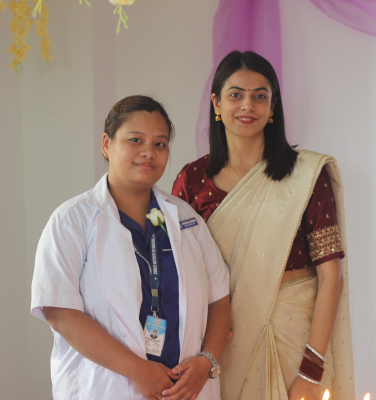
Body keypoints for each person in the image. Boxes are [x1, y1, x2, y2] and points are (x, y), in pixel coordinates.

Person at [172, 52, 355, 400]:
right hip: (224, 344)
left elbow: (331, 277)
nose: (248, 105)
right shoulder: (193, 180)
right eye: (236, 94)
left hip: (297, 339)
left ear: (273, 106)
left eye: (260, 95)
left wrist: (312, 369)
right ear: (217, 103)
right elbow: (180, 274)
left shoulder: (306, 175)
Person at [31, 95, 230, 400]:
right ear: (107, 144)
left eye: (160, 143)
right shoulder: (72, 220)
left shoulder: (185, 218)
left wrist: (208, 361)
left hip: (187, 389)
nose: (148, 152)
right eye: (135, 140)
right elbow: (60, 312)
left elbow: (219, 297)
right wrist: (138, 371)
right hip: (107, 388)